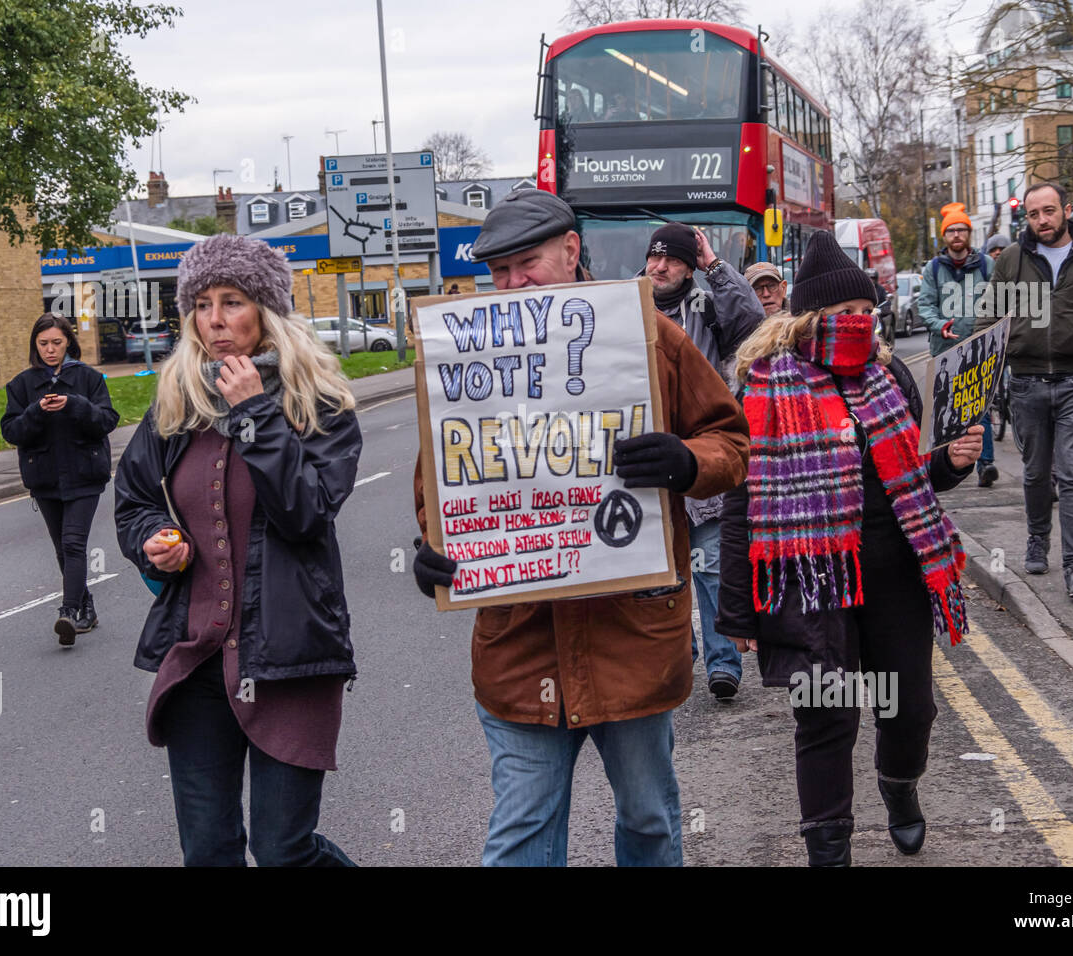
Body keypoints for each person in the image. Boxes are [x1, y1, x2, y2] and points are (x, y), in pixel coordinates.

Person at [411, 189, 749, 866]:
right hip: (520, 645)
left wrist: (687, 462)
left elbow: (730, 441)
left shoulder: (649, 333)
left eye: (525, 263)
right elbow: (441, 480)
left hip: (631, 639)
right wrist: (434, 549)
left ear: (570, 251)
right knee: (520, 835)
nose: (511, 283)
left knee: (650, 820)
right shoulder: (467, 350)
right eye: (498, 271)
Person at [716, 230, 982, 866]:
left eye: (866, 313)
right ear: (811, 319)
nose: (860, 324)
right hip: (811, 578)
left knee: (909, 707)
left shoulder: (890, 375)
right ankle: (828, 849)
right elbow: (738, 503)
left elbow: (918, 473)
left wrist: (953, 461)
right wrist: (736, 613)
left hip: (896, 573)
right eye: (844, 316)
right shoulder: (764, 387)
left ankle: (900, 785)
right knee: (827, 715)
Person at [113, 234, 362, 866]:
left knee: (284, 852)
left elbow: (304, 513)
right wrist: (153, 542)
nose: (215, 321)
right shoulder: (176, 404)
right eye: (201, 304)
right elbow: (134, 498)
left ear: (268, 310)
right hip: (197, 660)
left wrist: (253, 411)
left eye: (233, 302)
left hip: (289, 657)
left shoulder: (320, 406)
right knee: (209, 850)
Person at [975, 182, 1073, 601]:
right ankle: (1037, 539)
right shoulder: (1012, 258)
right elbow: (990, 317)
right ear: (1025, 218)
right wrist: (976, 373)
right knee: (1035, 473)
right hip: (1025, 383)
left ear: (1066, 209)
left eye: (1048, 211)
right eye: (1033, 214)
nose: (1041, 221)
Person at [643, 221, 765, 700]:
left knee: (712, 568)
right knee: (665, 574)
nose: (660, 267)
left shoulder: (709, 302)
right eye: (654, 258)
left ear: (688, 266)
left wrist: (715, 264)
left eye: (671, 258)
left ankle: (722, 664)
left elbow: (753, 321)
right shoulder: (628, 306)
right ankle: (682, 654)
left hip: (705, 454)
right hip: (651, 462)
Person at [1, 315, 119, 644]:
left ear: (68, 342)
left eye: (56, 342)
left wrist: (76, 405)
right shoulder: (22, 385)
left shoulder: (89, 379)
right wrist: (36, 411)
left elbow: (107, 420)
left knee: (73, 543)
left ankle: (69, 612)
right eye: (43, 344)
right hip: (45, 478)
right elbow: (11, 431)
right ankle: (88, 607)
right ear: (34, 346)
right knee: (61, 549)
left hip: (85, 474)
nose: (50, 350)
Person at [918, 202, 1000, 487]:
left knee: (980, 408)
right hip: (945, 351)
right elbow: (925, 304)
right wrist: (940, 324)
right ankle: (941, 464)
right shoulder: (934, 268)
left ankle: (985, 463)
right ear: (944, 236)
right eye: (950, 230)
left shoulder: (987, 265)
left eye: (961, 229)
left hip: (979, 349)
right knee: (944, 409)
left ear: (968, 233)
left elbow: (999, 299)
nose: (956, 235)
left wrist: (991, 331)